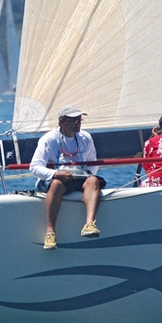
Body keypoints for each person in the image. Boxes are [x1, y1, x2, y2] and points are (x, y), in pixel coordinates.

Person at [30, 104, 106, 250]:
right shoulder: (48, 139)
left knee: (93, 180)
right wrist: (55, 174)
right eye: (74, 120)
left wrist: (87, 175)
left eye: (79, 120)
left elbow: (92, 163)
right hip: (56, 179)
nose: (78, 123)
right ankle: (50, 232)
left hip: (79, 178)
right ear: (62, 122)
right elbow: (34, 167)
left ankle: (89, 224)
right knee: (56, 184)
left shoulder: (86, 137)